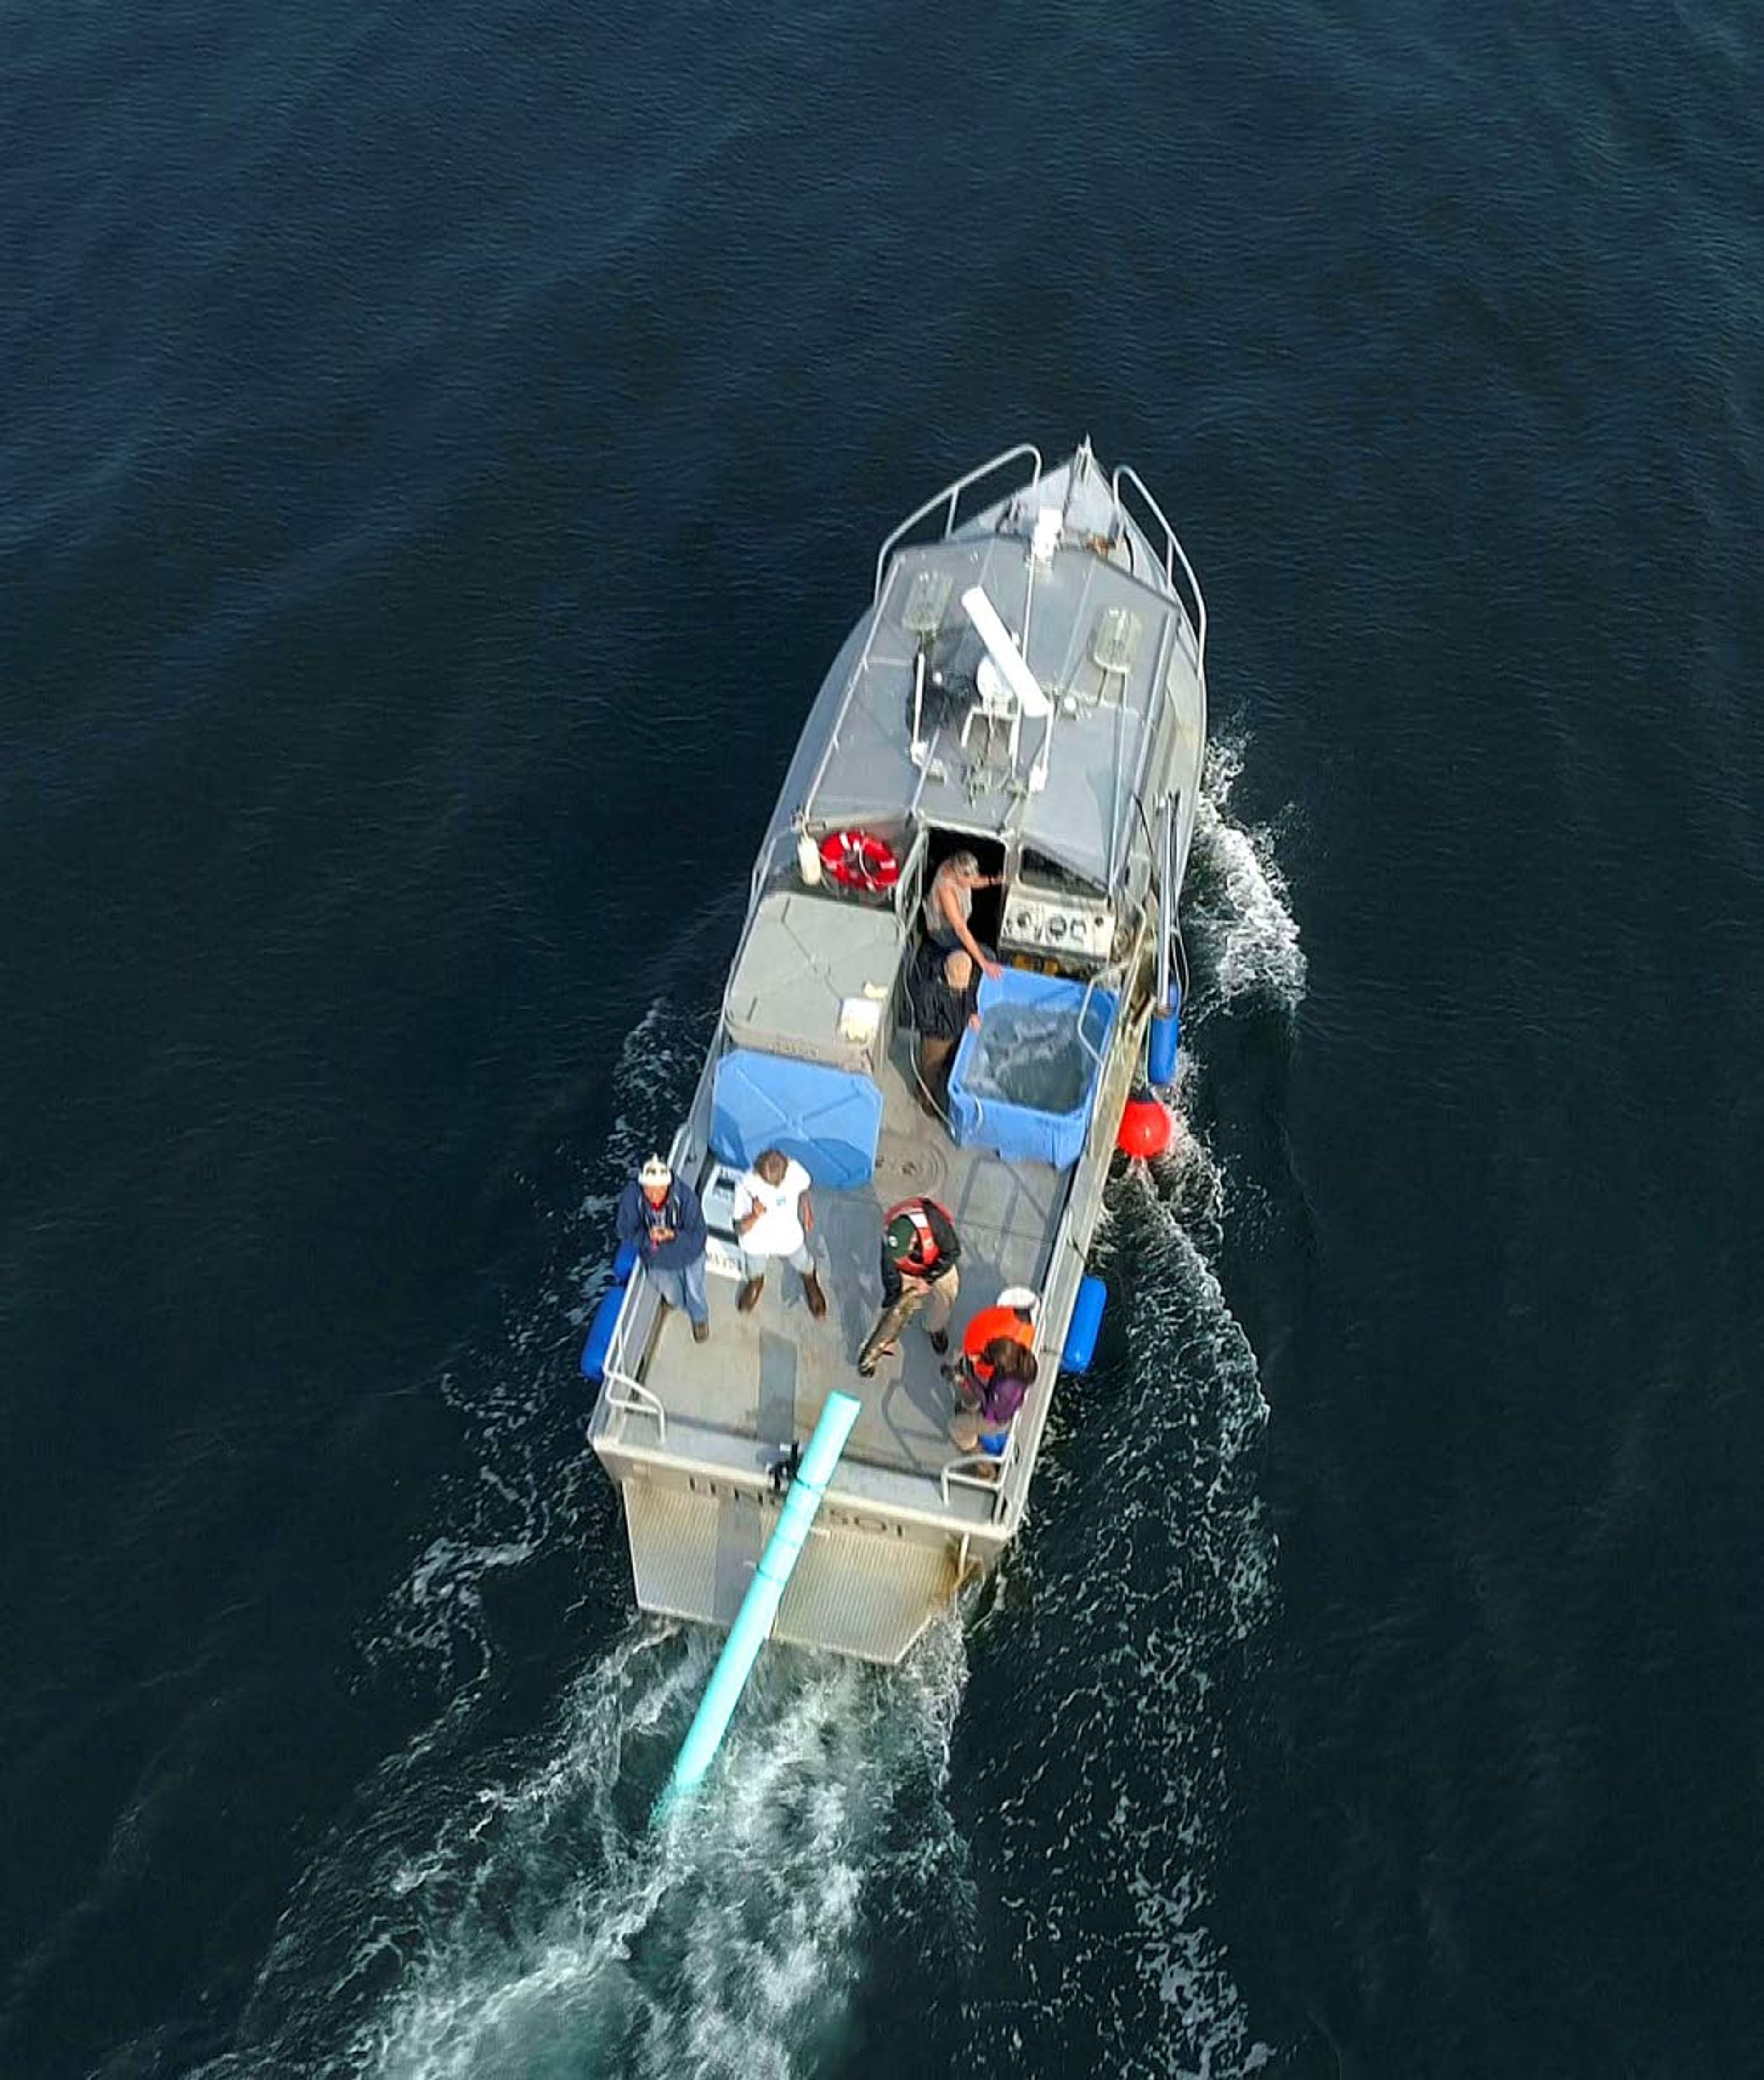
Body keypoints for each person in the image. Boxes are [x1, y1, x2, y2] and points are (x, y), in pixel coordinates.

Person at [857, 1196, 961, 1377]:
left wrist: (929, 1279)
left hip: (938, 1264)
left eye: (900, 1254)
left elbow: (953, 1252)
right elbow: (890, 1274)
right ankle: (876, 1352)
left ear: (914, 1238)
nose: (896, 1259)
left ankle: (935, 1328)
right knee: (889, 1314)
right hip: (909, 1270)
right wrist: (893, 1307)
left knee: (944, 1302)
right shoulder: (891, 1238)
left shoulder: (934, 1221)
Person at [616, 1155, 710, 1342]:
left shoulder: (686, 1198)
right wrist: (646, 1237)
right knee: (672, 1294)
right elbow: (625, 1230)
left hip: (689, 1255)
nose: (653, 1196)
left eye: (658, 1191)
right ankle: (678, 1304)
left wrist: (673, 1236)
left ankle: (700, 1319)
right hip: (657, 1259)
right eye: (648, 1191)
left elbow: (699, 1236)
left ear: (667, 1187)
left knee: (695, 1293)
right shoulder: (632, 1197)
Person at [733, 1148, 827, 1318]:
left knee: (803, 1261)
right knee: (755, 1268)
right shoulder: (746, 1183)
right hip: (757, 1241)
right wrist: (754, 1215)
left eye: (780, 1182)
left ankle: (810, 1280)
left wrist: (806, 1208)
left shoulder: (795, 1170)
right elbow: (739, 1228)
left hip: (788, 1236)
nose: (777, 1187)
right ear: (760, 1172)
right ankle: (756, 1282)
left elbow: (805, 1188)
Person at [946, 1295, 1039, 1457]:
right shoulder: (1020, 1361)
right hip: (998, 1401)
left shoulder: (1005, 1388)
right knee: (972, 1387)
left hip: (995, 1419)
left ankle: (976, 1455)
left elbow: (988, 1404)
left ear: (1001, 1366)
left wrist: (968, 1374)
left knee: (955, 1426)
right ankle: (968, 1407)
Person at [913, 946, 982, 1118]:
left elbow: (970, 998)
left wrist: (972, 1013)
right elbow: (926, 1022)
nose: (960, 990)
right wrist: (953, 1027)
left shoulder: (970, 978)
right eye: (956, 987)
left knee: (952, 1060)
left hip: (957, 1029)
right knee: (931, 1068)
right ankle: (926, 1101)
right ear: (945, 971)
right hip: (937, 1037)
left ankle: (947, 1077)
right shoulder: (928, 990)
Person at [922, 850, 1003, 980]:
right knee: (989, 957)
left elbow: (974, 881)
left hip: (959, 924)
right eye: (968, 881)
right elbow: (960, 928)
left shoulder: (956, 866)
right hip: (944, 932)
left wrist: (993, 881)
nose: (971, 884)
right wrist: (984, 964)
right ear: (957, 876)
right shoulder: (946, 890)